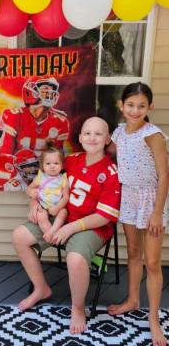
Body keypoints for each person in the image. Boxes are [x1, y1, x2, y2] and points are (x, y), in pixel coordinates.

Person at [12, 117, 120, 334]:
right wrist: (35, 202)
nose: (92, 138)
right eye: (87, 133)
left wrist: (69, 228)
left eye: (98, 134)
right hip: (59, 217)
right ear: (80, 137)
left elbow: (103, 217)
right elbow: (42, 185)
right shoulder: (70, 161)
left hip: (91, 226)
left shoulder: (111, 172)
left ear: (107, 139)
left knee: (76, 258)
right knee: (19, 236)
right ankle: (41, 288)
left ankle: (78, 307)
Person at [107, 82, 168, 346]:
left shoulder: (153, 134)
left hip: (151, 198)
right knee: (133, 252)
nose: (135, 110)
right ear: (121, 106)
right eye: (130, 105)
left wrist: (157, 213)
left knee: (152, 262)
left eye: (141, 105)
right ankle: (132, 300)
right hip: (128, 196)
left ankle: (153, 320)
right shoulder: (119, 132)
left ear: (149, 107)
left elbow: (165, 175)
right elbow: (108, 153)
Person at [1, 77, 69, 156]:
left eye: (52, 90)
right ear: (31, 91)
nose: (50, 93)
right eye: (46, 89)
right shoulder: (14, 116)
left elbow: (56, 158)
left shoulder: (60, 121)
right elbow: (6, 155)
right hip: (18, 165)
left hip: (44, 166)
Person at [26, 144, 69, 243]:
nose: (52, 166)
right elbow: (29, 188)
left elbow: (66, 198)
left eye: (56, 163)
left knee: (63, 213)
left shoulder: (63, 179)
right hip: (43, 205)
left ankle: (52, 231)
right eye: (48, 163)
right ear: (43, 166)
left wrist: (57, 208)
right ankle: (50, 235)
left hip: (57, 206)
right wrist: (31, 192)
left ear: (62, 165)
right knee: (41, 216)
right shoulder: (40, 177)